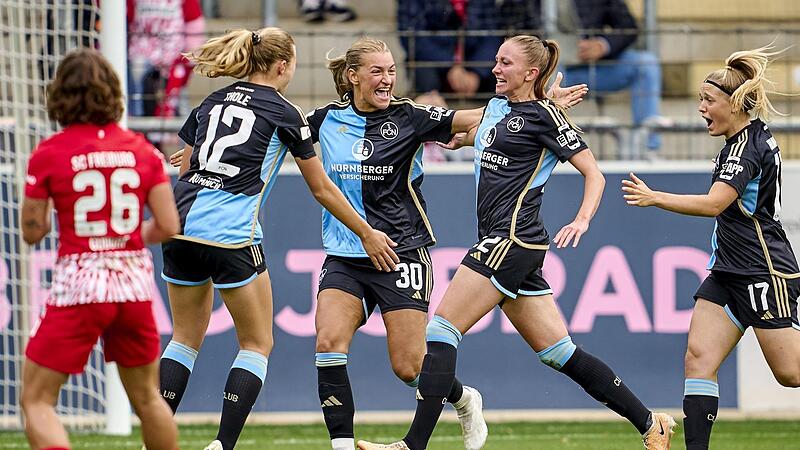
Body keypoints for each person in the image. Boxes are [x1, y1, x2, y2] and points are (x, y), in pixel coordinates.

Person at [357, 35, 675, 450]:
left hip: (511, 240)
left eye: (505, 63)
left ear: (529, 72)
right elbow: (482, 135)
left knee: (441, 330)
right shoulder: (496, 109)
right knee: (559, 352)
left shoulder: (546, 117)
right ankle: (651, 423)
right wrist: (455, 138)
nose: (494, 69)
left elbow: (594, 174)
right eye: (496, 60)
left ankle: (412, 445)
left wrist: (581, 219)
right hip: (506, 243)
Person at [305, 38, 587, 450]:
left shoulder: (412, 116)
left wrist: (544, 103)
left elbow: (488, 117)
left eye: (391, 71)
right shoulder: (325, 119)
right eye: (377, 72)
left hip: (401, 252)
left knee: (408, 367)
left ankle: (464, 398)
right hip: (346, 253)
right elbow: (277, 133)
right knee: (328, 343)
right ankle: (342, 446)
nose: (387, 80)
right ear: (352, 77)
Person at [156, 28, 398, 450]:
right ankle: (221, 445)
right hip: (230, 232)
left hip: (179, 225)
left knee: (182, 339)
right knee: (256, 343)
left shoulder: (211, 101)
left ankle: (153, 442)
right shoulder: (284, 112)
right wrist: (366, 232)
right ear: (283, 65)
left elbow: (185, 168)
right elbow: (321, 188)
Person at [622, 46, 800, 450]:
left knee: (790, 374)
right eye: (700, 99)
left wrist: (655, 197)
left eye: (708, 100)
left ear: (734, 104)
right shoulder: (747, 137)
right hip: (728, 271)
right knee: (699, 359)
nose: (701, 108)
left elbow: (714, 204)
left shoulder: (744, 149)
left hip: (761, 270)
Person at [19, 49, 179, 450]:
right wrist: (120, 241)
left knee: (36, 400)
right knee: (147, 399)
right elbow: (168, 225)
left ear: (60, 95)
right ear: (112, 93)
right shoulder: (143, 150)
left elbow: (33, 231)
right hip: (133, 285)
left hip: (81, 284)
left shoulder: (50, 152)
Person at [551, 0, 666, 156]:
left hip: (585, 69)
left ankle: (647, 149)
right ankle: (544, 148)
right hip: (542, 71)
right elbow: (511, 23)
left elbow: (628, 27)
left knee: (645, 64)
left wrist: (602, 45)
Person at [396, 0, 505, 98]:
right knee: (424, 76)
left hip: (474, 64)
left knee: (499, 76)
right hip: (433, 62)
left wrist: (477, 72)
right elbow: (412, 37)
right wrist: (450, 65)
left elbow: (492, 36)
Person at [127, 0, 206, 117]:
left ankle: (175, 127)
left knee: (177, 100)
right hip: (140, 59)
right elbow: (127, 19)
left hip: (174, 60)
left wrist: (187, 62)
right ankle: (137, 120)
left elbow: (194, 27)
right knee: (137, 94)